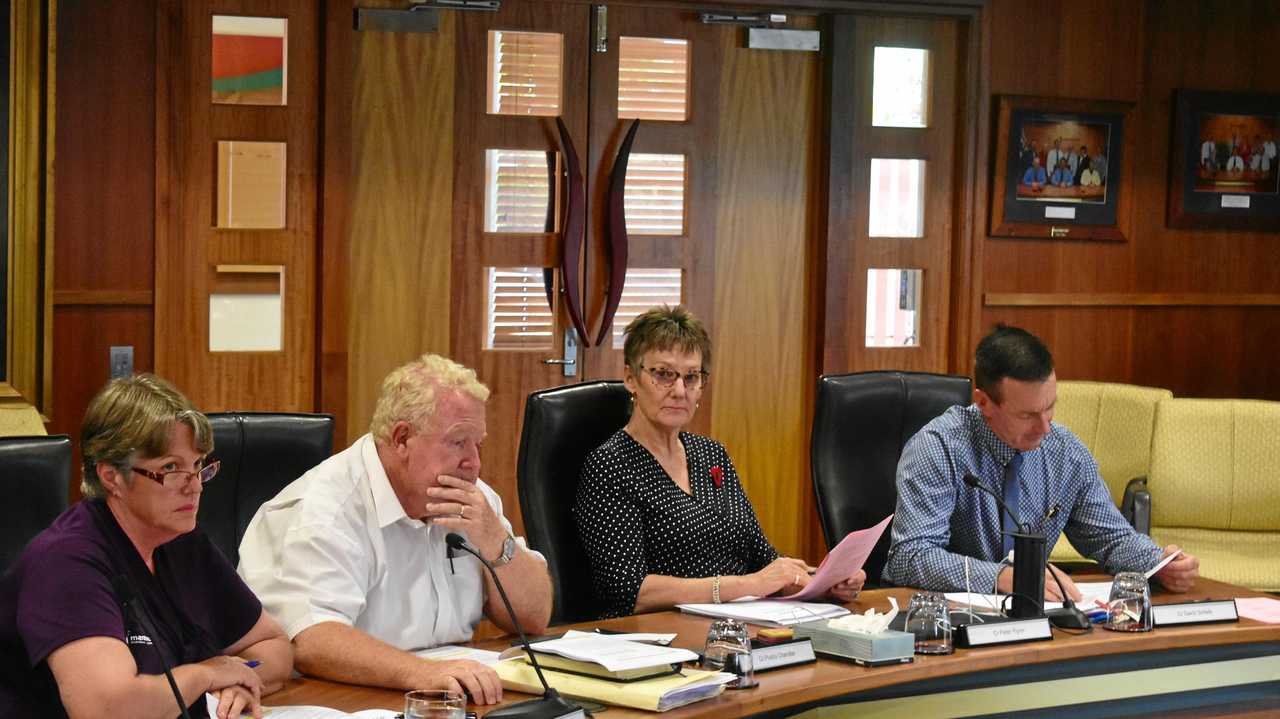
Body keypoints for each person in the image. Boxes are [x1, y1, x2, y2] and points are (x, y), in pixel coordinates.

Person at [237, 354, 551, 704]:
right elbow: (311, 640)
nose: (474, 463)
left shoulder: (476, 502)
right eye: (458, 442)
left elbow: (535, 617)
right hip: (333, 700)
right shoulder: (324, 509)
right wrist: (422, 673)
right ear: (402, 438)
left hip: (441, 698)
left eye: (479, 444)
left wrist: (495, 540)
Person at [0, 374, 291, 719]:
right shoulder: (65, 563)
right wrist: (207, 674)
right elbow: (107, 709)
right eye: (171, 468)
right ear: (112, 477)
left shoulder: (181, 540)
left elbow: (274, 648)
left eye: (198, 466)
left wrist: (239, 681)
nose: (195, 486)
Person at [575, 305, 865, 619]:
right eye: (663, 375)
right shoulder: (609, 466)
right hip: (656, 636)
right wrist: (746, 585)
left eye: (691, 377)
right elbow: (628, 589)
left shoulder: (711, 454)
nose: (679, 390)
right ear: (631, 378)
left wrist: (820, 580)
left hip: (741, 622)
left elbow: (761, 555)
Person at [882, 325, 1200, 601]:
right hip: (947, 620)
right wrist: (1001, 577)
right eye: (1028, 415)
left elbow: (1111, 538)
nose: (1045, 427)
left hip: (1036, 616)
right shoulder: (938, 448)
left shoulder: (1065, 451)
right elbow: (910, 557)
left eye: (1050, 407)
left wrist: (1158, 562)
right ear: (983, 403)